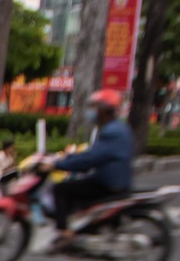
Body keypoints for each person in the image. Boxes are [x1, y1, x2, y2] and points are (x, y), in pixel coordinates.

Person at [50, 88, 134, 249]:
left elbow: (91, 159)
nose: (92, 111)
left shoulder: (111, 131)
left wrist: (59, 164)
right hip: (114, 180)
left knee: (61, 189)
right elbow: (93, 154)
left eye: (95, 107)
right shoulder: (117, 128)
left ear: (104, 109)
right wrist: (69, 158)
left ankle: (65, 233)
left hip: (108, 184)